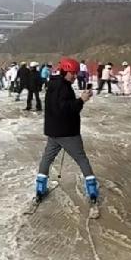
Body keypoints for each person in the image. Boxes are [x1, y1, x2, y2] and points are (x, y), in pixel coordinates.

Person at [34, 59, 98, 211]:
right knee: (82, 159)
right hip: (67, 132)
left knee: (47, 158)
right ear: (65, 72)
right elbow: (64, 109)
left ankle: (40, 188)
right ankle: (92, 191)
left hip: (54, 131)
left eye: (76, 73)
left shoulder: (54, 84)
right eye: (72, 73)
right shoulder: (62, 87)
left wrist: (78, 101)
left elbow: (59, 107)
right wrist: (81, 100)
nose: (75, 76)